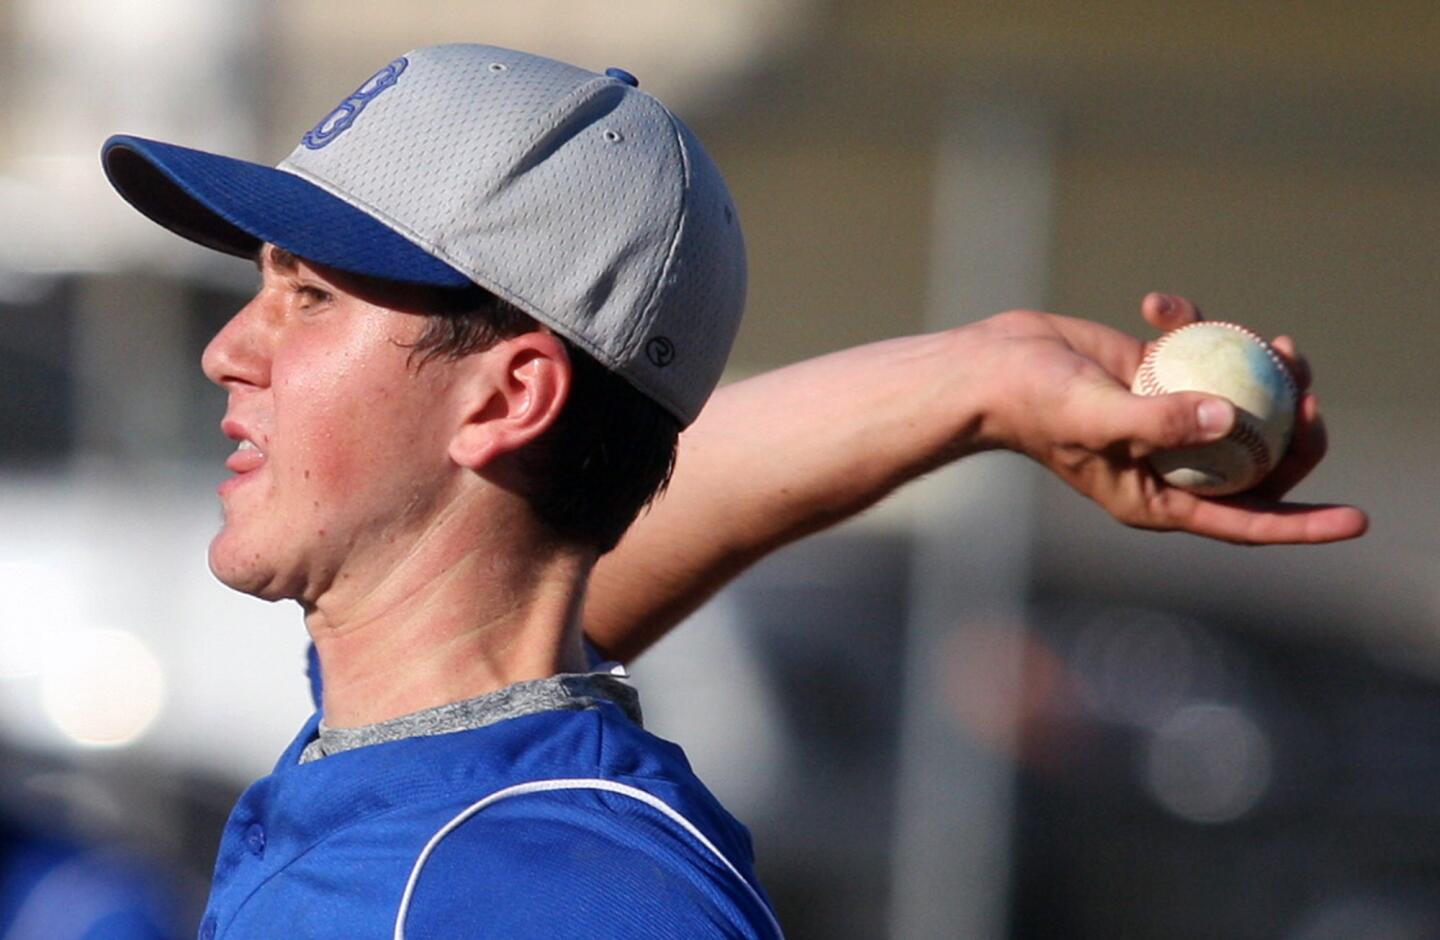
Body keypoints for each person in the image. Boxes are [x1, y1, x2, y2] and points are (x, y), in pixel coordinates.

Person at [99, 42, 1365, 940]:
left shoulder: (552, 895)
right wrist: (977, 379)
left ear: (506, 400)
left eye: (310, 296)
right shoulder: (424, 769)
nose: (229, 348)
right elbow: (530, 573)